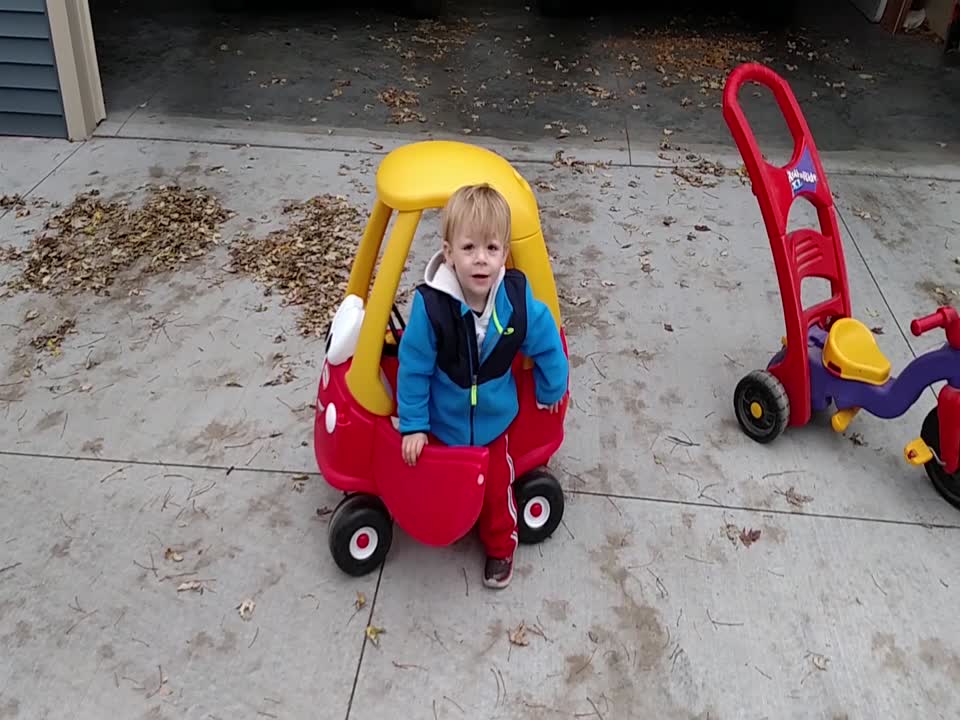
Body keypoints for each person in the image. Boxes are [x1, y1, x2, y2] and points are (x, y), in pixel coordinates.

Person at [396, 183, 569, 589]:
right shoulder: (432, 306)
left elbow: (547, 340)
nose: (480, 260)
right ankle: (448, 519)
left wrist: (551, 390)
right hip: (442, 420)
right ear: (448, 251)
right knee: (437, 481)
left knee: (496, 492)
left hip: (494, 423)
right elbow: (413, 367)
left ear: (504, 254)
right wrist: (414, 423)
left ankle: (500, 547)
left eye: (491, 249)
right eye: (469, 247)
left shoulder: (514, 302)